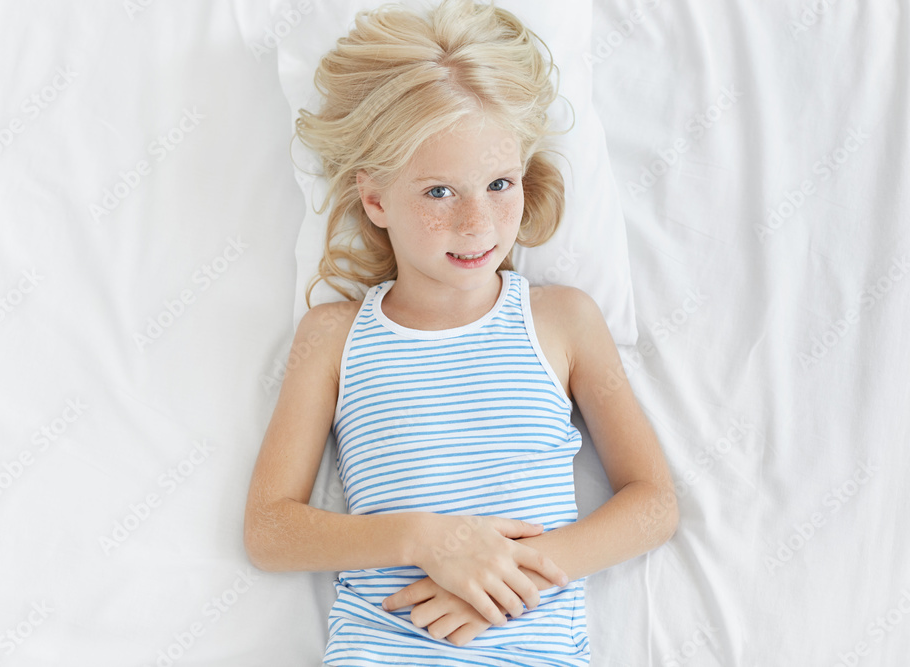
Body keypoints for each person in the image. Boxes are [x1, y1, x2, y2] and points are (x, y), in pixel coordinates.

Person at [244, 1, 679, 664]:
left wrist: (514, 574)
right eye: (439, 192)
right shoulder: (333, 336)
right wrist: (425, 540)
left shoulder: (561, 320)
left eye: (499, 184)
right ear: (376, 199)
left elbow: (653, 504)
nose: (478, 224)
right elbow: (270, 529)